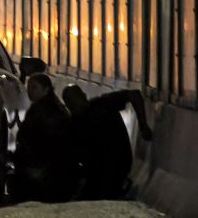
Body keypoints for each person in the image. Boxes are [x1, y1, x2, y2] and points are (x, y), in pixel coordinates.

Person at [61, 84, 153, 200]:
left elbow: (134, 94)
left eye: (75, 100)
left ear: (84, 96)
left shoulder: (102, 104)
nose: (74, 106)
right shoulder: (74, 123)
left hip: (114, 166)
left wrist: (143, 125)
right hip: (99, 171)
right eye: (71, 103)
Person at [12, 73, 76, 203]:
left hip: (44, 166)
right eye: (28, 87)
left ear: (46, 89)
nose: (30, 91)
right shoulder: (56, 107)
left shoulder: (42, 109)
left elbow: (28, 137)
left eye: (34, 87)